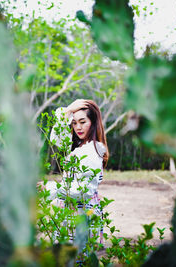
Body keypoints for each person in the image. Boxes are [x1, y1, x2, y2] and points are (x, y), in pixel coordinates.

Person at [44, 99, 109, 243]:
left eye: (83, 122)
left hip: (82, 213)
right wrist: (67, 111)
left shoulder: (91, 150)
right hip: (72, 212)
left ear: (93, 122)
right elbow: (56, 138)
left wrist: (51, 187)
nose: (78, 127)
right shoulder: (79, 145)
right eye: (74, 123)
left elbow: (84, 191)